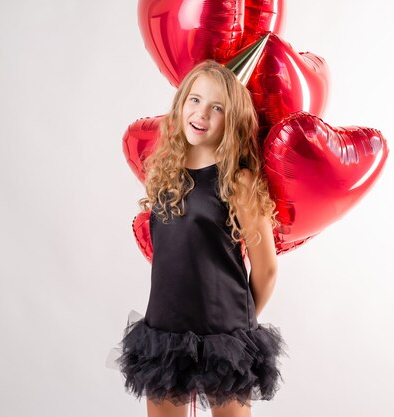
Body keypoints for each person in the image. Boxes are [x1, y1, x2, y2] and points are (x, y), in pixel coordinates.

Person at [113, 59, 288, 417]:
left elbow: (267, 269)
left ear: (232, 120)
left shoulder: (237, 183)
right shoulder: (166, 173)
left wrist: (236, 330)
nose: (202, 113)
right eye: (195, 100)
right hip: (164, 330)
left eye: (217, 107)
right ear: (181, 104)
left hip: (224, 335)